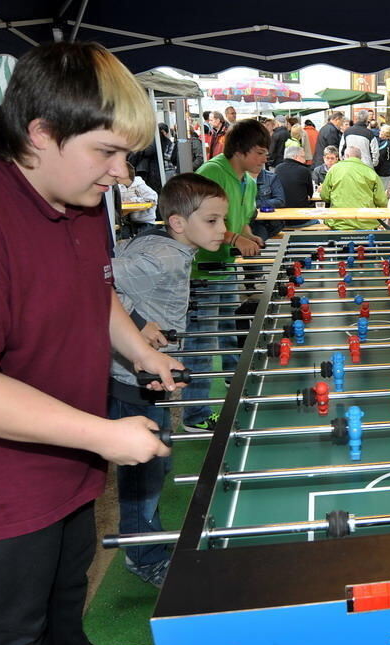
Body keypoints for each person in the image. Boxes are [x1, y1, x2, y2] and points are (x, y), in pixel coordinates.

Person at [0, 41, 185, 645]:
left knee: (66, 602)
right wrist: (102, 434)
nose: (122, 173)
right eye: (108, 152)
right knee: (12, 641)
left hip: (64, 463)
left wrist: (141, 352)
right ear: (41, 133)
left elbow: (92, 292)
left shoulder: (78, 196)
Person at [109, 174, 228, 587]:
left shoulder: (166, 246)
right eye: (212, 221)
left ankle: (148, 540)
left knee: (155, 458)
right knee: (143, 471)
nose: (223, 229)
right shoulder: (164, 256)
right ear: (178, 223)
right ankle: (144, 557)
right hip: (131, 378)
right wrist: (138, 323)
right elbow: (92, 280)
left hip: (142, 372)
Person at [182, 119, 267, 433]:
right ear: (241, 150)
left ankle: (237, 386)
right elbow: (195, 222)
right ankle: (195, 416)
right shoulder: (211, 173)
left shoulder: (250, 181)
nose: (263, 159)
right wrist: (234, 239)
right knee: (202, 343)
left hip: (226, 268)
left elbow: (242, 221)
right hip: (200, 269)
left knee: (231, 332)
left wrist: (250, 236)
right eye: (258, 152)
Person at [319, 145, 387, 230]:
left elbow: (325, 196)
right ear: (360, 157)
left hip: (338, 221)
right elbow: (382, 201)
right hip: (366, 222)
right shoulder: (370, 172)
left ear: (345, 156)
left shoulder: (334, 169)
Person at [116, 160, 159, 225]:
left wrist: (133, 200)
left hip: (145, 221)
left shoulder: (139, 185)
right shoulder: (119, 187)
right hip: (129, 222)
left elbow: (152, 198)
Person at [275, 144, 314, 209]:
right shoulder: (304, 170)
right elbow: (310, 193)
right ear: (295, 157)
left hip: (281, 209)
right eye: (303, 157)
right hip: (301, 211)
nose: (305, 160)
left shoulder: (277, 169)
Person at [376, 125, 390, 191]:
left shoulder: (385, 144)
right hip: (389, 171)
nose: (379, 132)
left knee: (381, 191)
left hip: (383, 172)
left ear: (385, 133)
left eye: (381, 131)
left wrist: (375, 167)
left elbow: (380, 157)